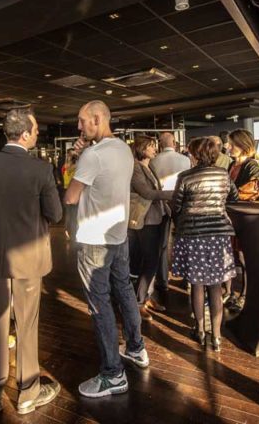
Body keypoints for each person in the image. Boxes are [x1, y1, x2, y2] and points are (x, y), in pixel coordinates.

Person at [0, 107, 62, 415]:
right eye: (35, 130)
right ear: (26, 134)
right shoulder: (41, 169)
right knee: (27, 325)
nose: (36, 134)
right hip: (29, 259)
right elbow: (56, 215)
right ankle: (28, 393)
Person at [64, 100, 149, 398]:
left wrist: (75, 160)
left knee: (99, 303)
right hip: (118, 234)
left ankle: (113, 374)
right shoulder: (123, 149)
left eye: (82, 120)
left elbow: (71, 196)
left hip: (94, 239)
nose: (78, 126)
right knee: (124, 290)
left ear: (97, 119)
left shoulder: (93, 155)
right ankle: (136, 348)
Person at [171, 137, 238, 351]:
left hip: (192, 234)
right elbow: (233, 197)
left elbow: (176, 205)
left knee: (197, 284)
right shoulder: (223, 174)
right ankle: (217, 336)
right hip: (218, 234)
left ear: (195, 154)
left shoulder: (186, 176)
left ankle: (200, 330)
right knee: (216, 285)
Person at [128, 136, 172, 321]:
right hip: (147, 220)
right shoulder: (135, 168)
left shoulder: (149, 166)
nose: (155, 149)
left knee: (154, 258)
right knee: (150, 261)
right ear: (141, 148)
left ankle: (145, 297)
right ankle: (139, 302)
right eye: (151, 146)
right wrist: (174, 193)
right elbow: (146, 193)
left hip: (158, 216)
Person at [149, 131, 191, 295]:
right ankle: (187, 277)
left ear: (160, 144)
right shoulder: (185, 160)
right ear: (174, 142)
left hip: (161, 203)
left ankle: (163, 280)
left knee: (162, 244)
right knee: (185, 241)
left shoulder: (154, 161)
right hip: (182, 204)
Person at [225, 129, 259, 312]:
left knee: (243, 256)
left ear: (243, 145)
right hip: (230, 216)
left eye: (231, 144)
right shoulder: (232, 164)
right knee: (230, 255)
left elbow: (248, 191)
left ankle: (244, 294)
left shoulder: (251, 165)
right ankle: (229, 292)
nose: (228, 147)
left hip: (243, 218)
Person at [61, 148, 78, 249]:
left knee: (68, 214)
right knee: (74, 214)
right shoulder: (76, 167)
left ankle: (67, 233)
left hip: (65, 191)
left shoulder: (64, 167)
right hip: (74, 191)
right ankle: (75, 234)